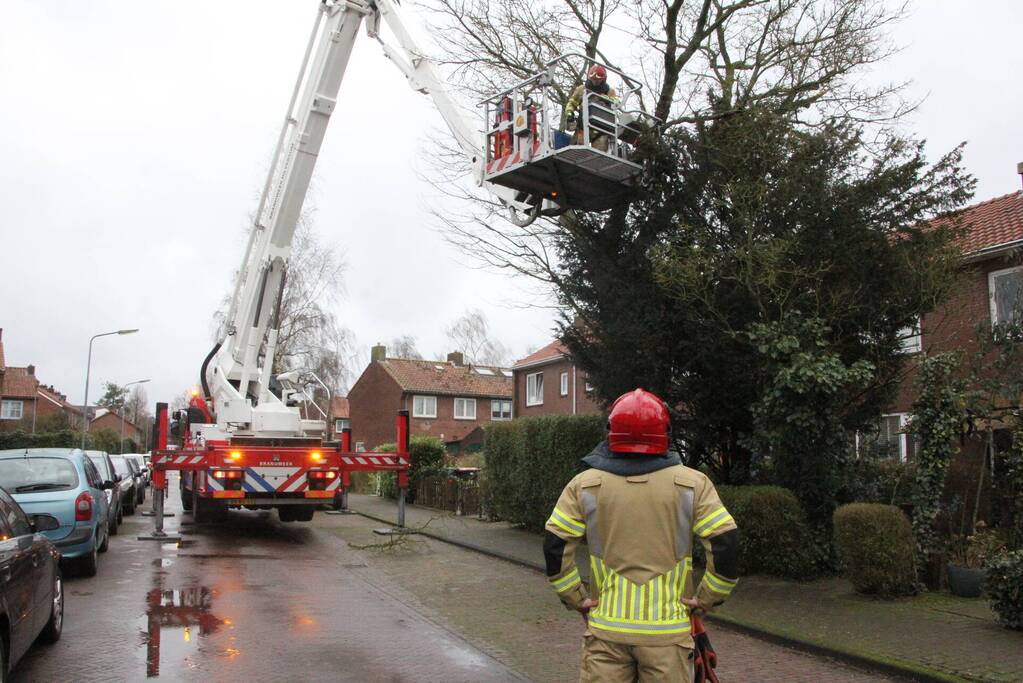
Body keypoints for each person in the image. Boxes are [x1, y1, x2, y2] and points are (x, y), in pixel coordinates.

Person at [543, 388, 739, 682]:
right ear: (666, 433)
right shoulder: (693, 484)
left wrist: (576, 598)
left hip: (607, 632)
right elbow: (726, 545)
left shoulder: (584, 484)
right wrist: (705, 600)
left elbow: (555, 546)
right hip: (668, 634)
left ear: (611, 432)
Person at [565, 64, 619, 151]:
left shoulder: (609, 91)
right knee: (578, 150)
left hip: (601, 129)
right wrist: (569, 113)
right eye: (593, 79)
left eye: (598, 79)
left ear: (603, 79)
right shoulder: (581, 89)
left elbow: (617, 103)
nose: (595, 81)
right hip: (583, 125)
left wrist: (607, 99)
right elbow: (572, 103)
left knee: (599, 153)